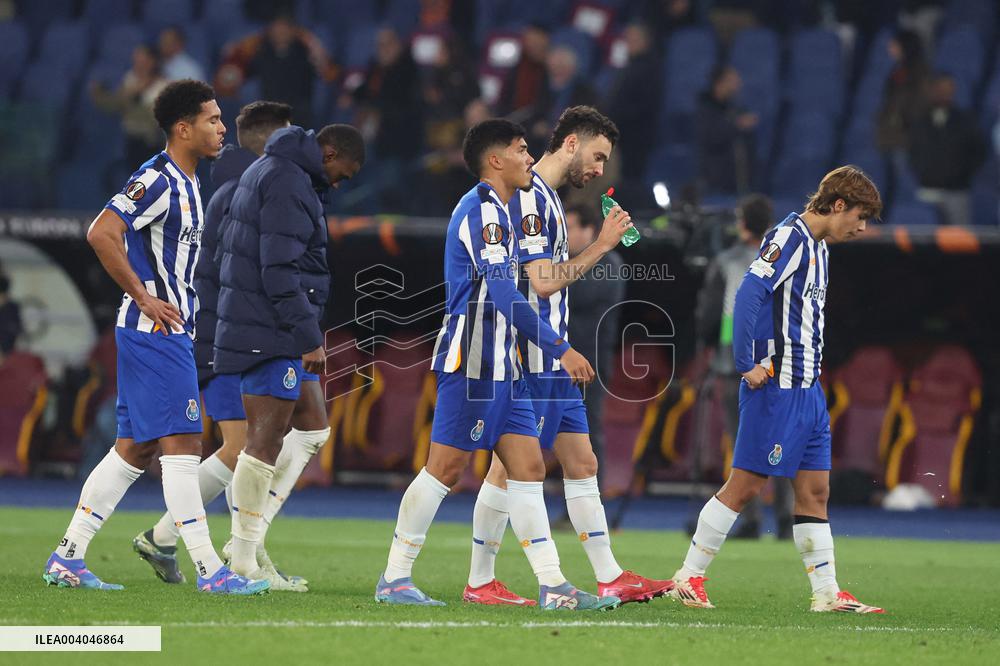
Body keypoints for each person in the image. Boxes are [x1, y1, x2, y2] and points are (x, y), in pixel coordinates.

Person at [375, 119, 618, 611]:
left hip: (504, 363)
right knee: (444, 469)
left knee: (528, 467)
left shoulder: (505, 212)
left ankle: (552, 586)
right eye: (522, 149)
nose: (531, 158)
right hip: (474, 361)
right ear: (496, 159)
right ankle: (394, 577)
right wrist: (559, 347)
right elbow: (505, 294)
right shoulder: (481, 210)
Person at [43, 80, 267, 595]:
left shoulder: (191, 184)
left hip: (166, 333)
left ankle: (68, 555)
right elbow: (101, 231)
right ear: (182, 128)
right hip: (154, 332)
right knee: (185, 443)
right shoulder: (159, 179)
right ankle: (213, 571)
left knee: (133, 448)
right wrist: (144, 296)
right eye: (211, 119)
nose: (220, 127)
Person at [463, 106, 671, 606]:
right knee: (508, 470)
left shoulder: (550, 199)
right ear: (572, 144)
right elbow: (541, 281)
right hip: (535, 359)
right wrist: (600, 246)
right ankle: (483, 580)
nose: (600, 171)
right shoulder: (532, 197)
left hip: (554, 360)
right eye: (597, 157)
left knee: (582, 461)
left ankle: (609, 575)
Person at [133, 101, 337, 591]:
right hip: (237, 334)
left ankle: (195, 539)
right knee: (246, 445)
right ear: (275, 138)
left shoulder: (252, 185)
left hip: (260, 332)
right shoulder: (254, 188)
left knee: (304, 431)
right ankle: (235, 548)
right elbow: (236, 273)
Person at [667, 166, 885, 614]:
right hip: (777, 389)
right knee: (746, 486)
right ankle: (687, 577)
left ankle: (826, 593)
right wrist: (746, 362)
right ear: (838, 204)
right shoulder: (790, 237)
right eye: (860, 217)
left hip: (808, 390)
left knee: (815, 492)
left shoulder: (821, 247)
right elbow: (749, 293)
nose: (861, 229)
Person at [213, 122, 364, 581]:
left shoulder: (280, 172)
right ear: (330, 152)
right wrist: (307, 337)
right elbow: (279, 267)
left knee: (313, 429)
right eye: (344, 173)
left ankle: (248, 546)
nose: (340, 184)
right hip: (268, 328)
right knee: (262, 443)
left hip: (268, 322)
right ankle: (241, 562)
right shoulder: (286, 181)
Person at [694, 194, 793, 540]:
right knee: (780, 440)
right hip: (778, 364)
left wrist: (709, 344)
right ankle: (786, 518)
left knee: (743, 442)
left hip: (732, 365)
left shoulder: (726, 261)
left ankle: (749, 518)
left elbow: (709, 316)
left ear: (742, 223)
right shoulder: (783, 260)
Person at [907, 74, 987, 226]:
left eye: (948, 89)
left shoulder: (966, 120)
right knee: (925, 239)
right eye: (940, 89)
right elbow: (913, 151)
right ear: (932, 90)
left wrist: (963, 175)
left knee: (959, 241)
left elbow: (979, 152)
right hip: (928, 189)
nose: (944, 93)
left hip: (958, 191)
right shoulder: (920, 120)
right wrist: (922, 172)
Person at [90, 44, 169, 169]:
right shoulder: (130, 78)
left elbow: (157, 119)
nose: (138, 63)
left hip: (150, 143)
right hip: (129, 139)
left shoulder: (162, 86)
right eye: (136, 59)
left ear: (152, 62)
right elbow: (117, 105)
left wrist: (132, 101)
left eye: (142, 60)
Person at [695, 65, 757, 196]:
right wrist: (737, 125)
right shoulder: (704, 109)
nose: (738, 84)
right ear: (719, 83)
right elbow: (711, 137)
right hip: (714, 180)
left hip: (737, 181)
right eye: (732, 80)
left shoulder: (735, 108)